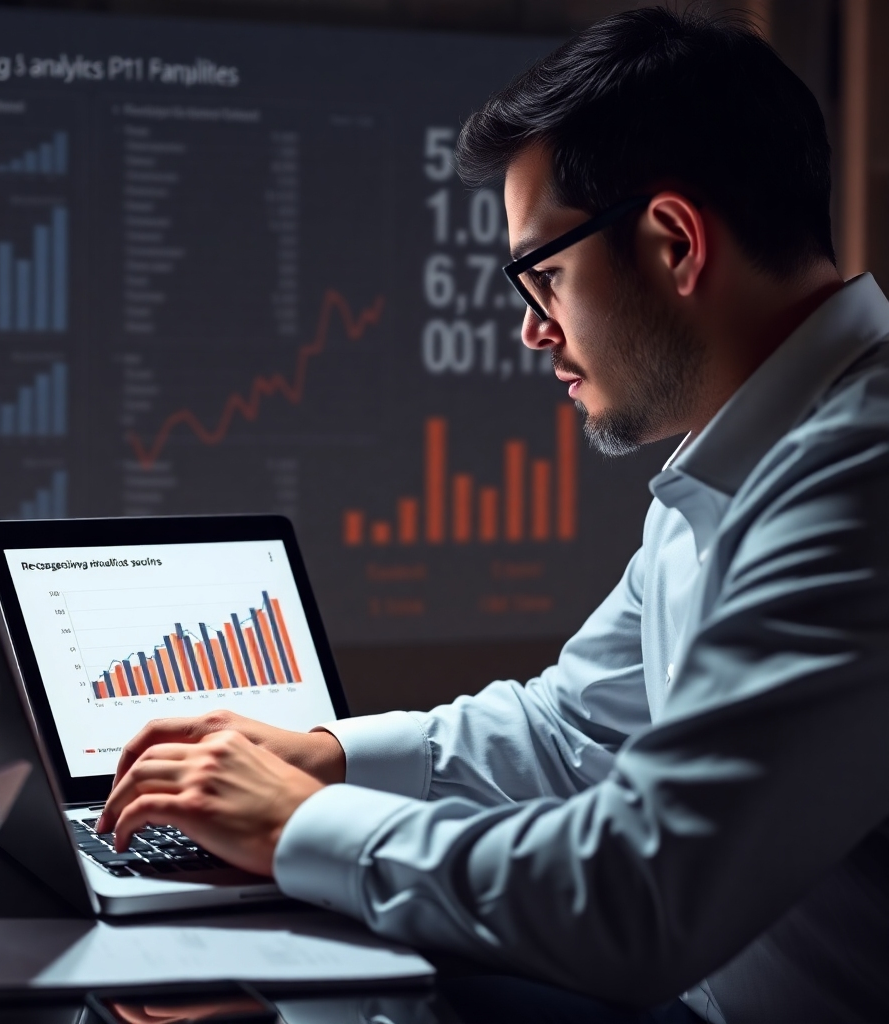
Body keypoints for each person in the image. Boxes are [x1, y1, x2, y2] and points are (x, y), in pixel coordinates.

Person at [97, 9, 889, 1022]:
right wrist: (326, 755)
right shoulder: (746, 449)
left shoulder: (857, 484)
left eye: (544, 275)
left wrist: (299, 824)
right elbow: (573, 729)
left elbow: (639, 896)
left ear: (674, 243)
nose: (530, 330)